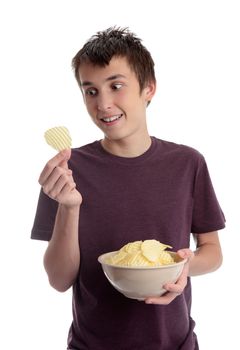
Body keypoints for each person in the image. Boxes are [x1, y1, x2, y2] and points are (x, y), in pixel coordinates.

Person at [31, 27, 225, 350]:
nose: (103, 104)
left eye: (116, 86)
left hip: (174, 344)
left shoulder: (188, 163)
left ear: (149, 88)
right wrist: (69, 207)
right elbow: (59, 280)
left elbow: (213, 252)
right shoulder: (67, 171)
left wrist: (183, 267)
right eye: (90, 91)